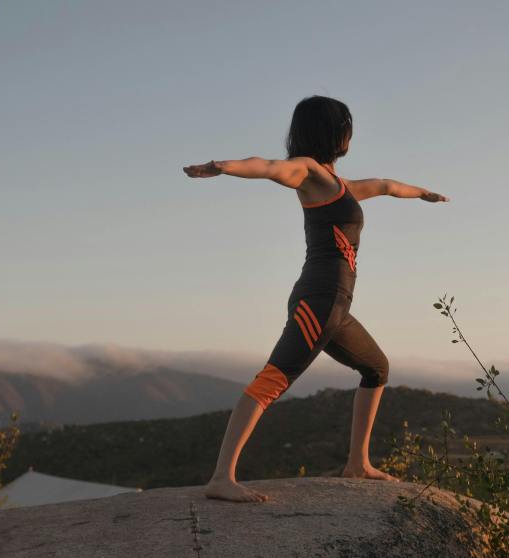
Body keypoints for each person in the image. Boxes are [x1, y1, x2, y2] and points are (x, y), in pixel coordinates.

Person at [182, 95, 448, 502]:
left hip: (337, 309)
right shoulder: (308, 172)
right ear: (334, 131)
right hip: (317, 303)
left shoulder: (340, 186)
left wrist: (423, 193)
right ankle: (222, 477)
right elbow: (269, 167)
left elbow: (386, 186)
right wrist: (222, 167)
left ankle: (358, 462)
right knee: (271, 381)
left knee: (377, 369)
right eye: (347, 126)